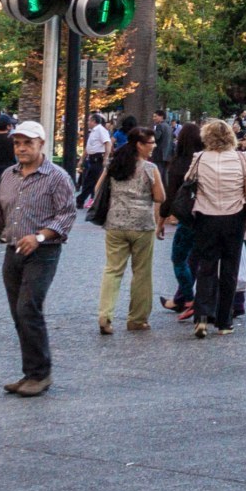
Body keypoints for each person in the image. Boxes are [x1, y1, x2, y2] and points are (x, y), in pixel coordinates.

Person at [0, 121, 80, 396]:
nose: (21, 148)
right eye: (17, 143)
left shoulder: (57, 177)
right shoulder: (9, 175)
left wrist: (40, 236)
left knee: (28, 308)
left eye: (27, 143)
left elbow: (66, 216)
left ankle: (41, 374)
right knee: (18, 314)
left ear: (41, 144)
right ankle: (30, 372)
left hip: (42, 252)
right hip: (13, 250)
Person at [185, 119, 246, 338]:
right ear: (230, 136)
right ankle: (224, 321)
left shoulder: (200, 158)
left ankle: (201, 316)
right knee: (230, 268)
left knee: (207, 266)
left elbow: (188, 180)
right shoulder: (243, 158)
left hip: (206, 216)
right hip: (234, 217)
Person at [93, 125, 165, 335]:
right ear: (139, 145)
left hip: (115, 224)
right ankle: (137, 319)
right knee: (142, 272)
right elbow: (160, 197)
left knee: (112, 270)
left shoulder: (113, 165)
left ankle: (105, 316)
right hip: (142, 225)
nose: (154, 146)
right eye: (150, 143)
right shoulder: (150, 169)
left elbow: (98, 189)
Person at [162, 120, 205, 321]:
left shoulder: (178, 164)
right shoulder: (205, 161)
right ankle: (193, 300)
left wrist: (161, 220)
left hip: (187, 218)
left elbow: (170, 197)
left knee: (179, 259)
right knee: (199, 261)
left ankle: (188, 299)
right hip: (208, 216)